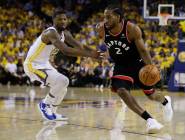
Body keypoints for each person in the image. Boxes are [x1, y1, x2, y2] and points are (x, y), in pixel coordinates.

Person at [96, 5, 173, 133]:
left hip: (137, 64)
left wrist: (152, 67)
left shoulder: (132, 29)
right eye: (105, 17)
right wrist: (108, 54)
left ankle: (165, 101)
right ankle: (150, 120)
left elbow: (143, 50)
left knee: (152, 95)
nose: (106, 20)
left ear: (118, 17)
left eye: (109, 17)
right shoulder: (101, 29)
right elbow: (110, 44)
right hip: (120, 66)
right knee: (121, 90)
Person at [23, 9, 103, 121]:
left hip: (44, 63)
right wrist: (90, 54)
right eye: (60, 19)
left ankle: (53, 112)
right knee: (62, 81)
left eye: (65, 19)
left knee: (64, 85)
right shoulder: (50, 33)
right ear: (54, 20)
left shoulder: (65, 33)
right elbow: (66, 50)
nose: (63, 21)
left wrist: (96, 53)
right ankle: (45, 105)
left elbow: (79, 45)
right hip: (32, 64)